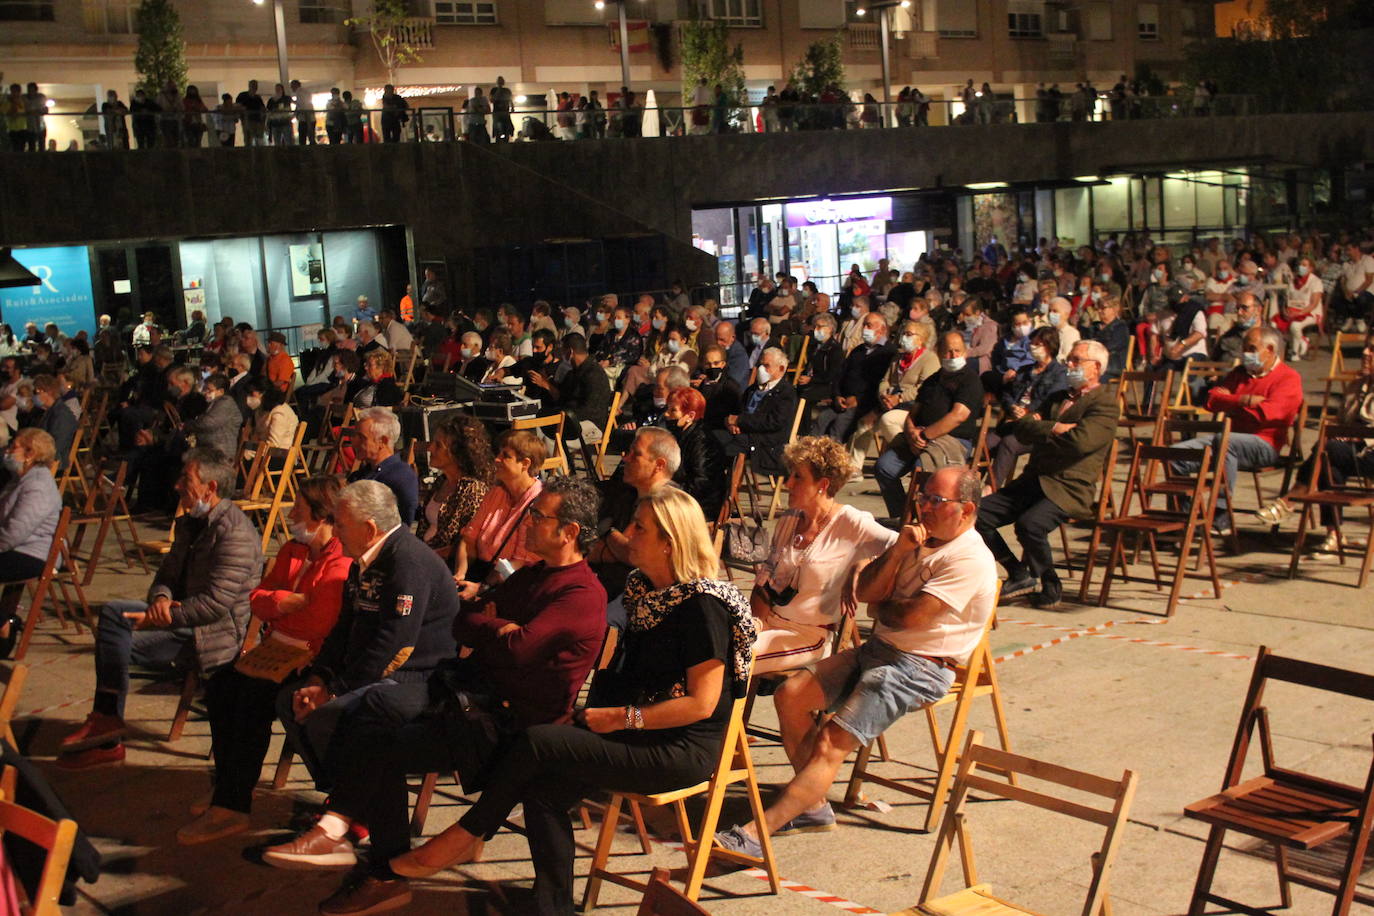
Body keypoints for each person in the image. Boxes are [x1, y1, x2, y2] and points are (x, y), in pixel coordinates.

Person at [384, 487, 754, 916]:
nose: (626, 533)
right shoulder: (642, 590)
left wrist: (620, 717)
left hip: (678, 746)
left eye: (640, 528)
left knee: (538, 743)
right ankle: (552, 908)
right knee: (542, 792)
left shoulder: (701, 605)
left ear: (669, 542)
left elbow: (701, 705)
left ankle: (468, 833)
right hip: (631, 728)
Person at [267, 477, 608, 913]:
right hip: (470, 701)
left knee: (376, 729)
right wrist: (495, 626)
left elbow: (519, 647)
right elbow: (462, 620)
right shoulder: (532, 575)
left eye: (538, 517)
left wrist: (497, 627)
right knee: (373, 723)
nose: (527, 522)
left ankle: (363, 850)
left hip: (507, 727)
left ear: (570, 531)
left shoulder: (580, 593)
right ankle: (369, 855)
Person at [715, 467, 994, 855]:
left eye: (936, 501)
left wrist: (881, 603)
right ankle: (812, 806)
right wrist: (897, 552)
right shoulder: (917, 539)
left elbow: (907, 617)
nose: (924, 507)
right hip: (880, 650)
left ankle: (754, 836)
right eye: (923, 497)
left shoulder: (970, 559)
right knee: (791, 695)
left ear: (965, 509)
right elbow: (868, 593)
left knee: (833, 739)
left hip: (920, 668)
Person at [58, 448, 264, 770]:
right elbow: (165, 575)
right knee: (114, 621)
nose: (177, 485)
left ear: (210, 488)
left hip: (214, 635)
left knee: (114, 623)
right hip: (181, 622)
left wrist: (167, 614)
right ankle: (107, 721)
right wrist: (160, 600)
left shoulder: (234, 533)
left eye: (187, 479)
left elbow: (216, 604)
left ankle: (108, 727)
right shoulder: (191, 523)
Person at [178, 477, 352, 844]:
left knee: (250, 702)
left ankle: (232, 806)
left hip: (309, 661)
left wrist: (279, 606)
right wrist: (282, 604)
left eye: (299, 510)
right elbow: (255, 598)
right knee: (223, 687)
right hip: (273, 651)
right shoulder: (293, 550)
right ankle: (230, 785)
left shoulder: (340, 561)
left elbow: (320, 620)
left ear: (321, 516)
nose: (291, 516)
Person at [275, 481, 459, 793]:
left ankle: (352, 806)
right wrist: (320, 678)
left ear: (370, 529)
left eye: (342, 526)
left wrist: (334, 691)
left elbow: (393, 645)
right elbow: (343, 628)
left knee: (327, 716)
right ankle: (344, 798)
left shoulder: (407, 563)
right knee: (289, 702)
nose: (334, 534)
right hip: (370, 670)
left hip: (416, 676)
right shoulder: (364, 561)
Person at [976, 340, 1118, 609]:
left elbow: (1080, 442)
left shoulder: (1105, 404)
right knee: (976, 514)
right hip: (1034, 479)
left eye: (1077, 360)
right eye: (1070, 359)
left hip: (1068, 486)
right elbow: (1023, 428)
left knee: (1031, 524)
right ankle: (1018, 572)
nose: (1070, 365)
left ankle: (1049, 581)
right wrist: (1057, 428)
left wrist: (1046, 427)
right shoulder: (1057, 397)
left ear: (1096, 368)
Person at [752, 437, 896, 674]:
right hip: (770, 623)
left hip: (810, 634)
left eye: (798, 476)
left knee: (725, 663)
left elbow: (903, 547)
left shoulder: (852, 522)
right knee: (707, 648)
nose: (788, 483)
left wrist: (864, 565)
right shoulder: (789, 519)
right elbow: (765, 581)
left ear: (823, 484)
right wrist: (753, 624)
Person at [1172, 326, 1304, 536]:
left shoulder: (1289, 378)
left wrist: (1230, 403)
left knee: (1227, 442)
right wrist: (1243, 400)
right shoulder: (1240, 373)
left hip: (1264, 444)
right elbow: (1211, 400)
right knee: (1173, 455)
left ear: (1269, 350)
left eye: (1251, 348)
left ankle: (1221, 513)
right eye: (1244, 348)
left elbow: (1266, 415)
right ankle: (1187, 517)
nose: (1245, 353)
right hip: (1226, 441)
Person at [1256, 331, 1374, 552]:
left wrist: (1350, 435)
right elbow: (1340, 421)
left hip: (1370, 453)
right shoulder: (1357, 385)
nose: (1365, 353)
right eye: (1366, 347)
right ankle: (1334, 533)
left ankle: (1289, 501)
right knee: (1329, 464)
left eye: (1373, 349)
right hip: (1349, 452)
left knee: (1326, 449)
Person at [874, 332, 985, 519]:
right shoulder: (932, 380)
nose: (953, 355)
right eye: (948, 351)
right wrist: (910, 432)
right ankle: (903, 517)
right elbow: (914, 412)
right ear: (939, 353)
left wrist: (925, 436)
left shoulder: (970, 380)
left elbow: (958, 416)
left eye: (957, 351)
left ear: (965, 353)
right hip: (919, 436)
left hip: (952, 439)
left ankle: (927, 520)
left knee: (924, 470)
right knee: (884, 467)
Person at [455, 430, 545, 597]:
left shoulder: (539, 503)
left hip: (508, 585)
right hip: (479, 573)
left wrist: (480, 588)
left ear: (525, 464)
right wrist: (460, 573)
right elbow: (469, 538)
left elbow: (521, 564)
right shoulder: (496, 492)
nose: (497, 459)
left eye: (506, 456)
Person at [848, 320, 939, 472]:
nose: (904, 337)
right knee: (864, 423)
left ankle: (910, 454)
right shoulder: (898, 357)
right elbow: (885, 380)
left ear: (921, 338)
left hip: (913, 407)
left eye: (909, 334)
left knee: (887, 420)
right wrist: (885, 395)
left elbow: (924, 387)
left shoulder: (929, 359)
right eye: (903, 333)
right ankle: (855, 468)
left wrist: (901, 398)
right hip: (891, 401)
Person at [0, 429, 61, 654]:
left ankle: (3, 625)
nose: (8, 451)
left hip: (32, 554)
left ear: (30, 453)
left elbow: (15, 531)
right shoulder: (20, 479)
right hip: (15, 548)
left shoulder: (38, 485)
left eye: (13, 447)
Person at [985, 327, 1068, 487]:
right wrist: (1012, 407)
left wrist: (1028, 412)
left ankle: (991, 488)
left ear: (1049, 346)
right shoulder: (1025, 370)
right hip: (1012, 422)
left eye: (1038, 344)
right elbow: (1007, 394)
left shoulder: (1059, 373)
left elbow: (1052, 402)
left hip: (1034, 428)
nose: (1033, 347)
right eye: (1032, 343)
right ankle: (971, 484)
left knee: (1008, 443)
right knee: (987, 442)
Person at [416, 415, 492, 567]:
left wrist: (422, 558)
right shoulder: (441, 481)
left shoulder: (472, 491)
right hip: (424, 556)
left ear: (458, 453)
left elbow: (468, 544)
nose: (430, 449)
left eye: (438, 445)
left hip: (445, 567)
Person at [815, 312, 895, 449]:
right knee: (822, 419)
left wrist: (858, 400)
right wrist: (837, 395)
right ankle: (811, 459)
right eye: (864, 324)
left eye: (869, 325)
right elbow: (840, 375)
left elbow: (879, 383)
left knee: (840, 425)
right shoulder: (858, 350)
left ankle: (833, 462)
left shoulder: (888, 352)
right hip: (844, 400)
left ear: (882, 329)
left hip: (866, 403)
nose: (864, 328)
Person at [712, 347, 797, 464]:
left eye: (767, 366)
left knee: (722, 450)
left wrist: (739, 421)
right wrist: (733, 424)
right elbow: (740, 408)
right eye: (761, 365)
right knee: (710, 438)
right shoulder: (754, 388)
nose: (762, 369)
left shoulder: (786, 392)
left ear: (781, 369)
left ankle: (727, 481)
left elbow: (773, 422)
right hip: (744, 432)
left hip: (764, 441)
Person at [346, 407, 419, 526]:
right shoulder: (364, 472)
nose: (354, 442)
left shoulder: (401, 477)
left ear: (382, 441)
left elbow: (404, 524)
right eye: (355, 436)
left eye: (362, 437)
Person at [662, 387, 725, 521]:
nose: (667, 414)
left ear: (690, 416)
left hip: (700, 505)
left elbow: (702, 482)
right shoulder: (682, 434)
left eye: (673, 410)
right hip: (684, 496)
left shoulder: (702, 441)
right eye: (667, 409)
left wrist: (668, 489)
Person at [1273, 255, 1324, 360]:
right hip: (1293, 310)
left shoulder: (1316, 282)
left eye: (1304, 265)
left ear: (1311, 268)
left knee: (1295, 325)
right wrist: (1284, 311)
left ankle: (1295, 352)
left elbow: (1313, 304)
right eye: (1300, 265)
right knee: (1273, 323)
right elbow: (1286, 300)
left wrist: (1299, 313)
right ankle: (1297, 342)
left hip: (1311, 312)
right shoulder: (1292, 280)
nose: (1301, 267)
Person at [32, 375, 78, 471]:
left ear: (49, 392)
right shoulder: (50, 411)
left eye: (37, 392)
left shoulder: (61, 415)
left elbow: (55, 446)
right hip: (43, 453)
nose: (34, 396)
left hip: (55, 461)